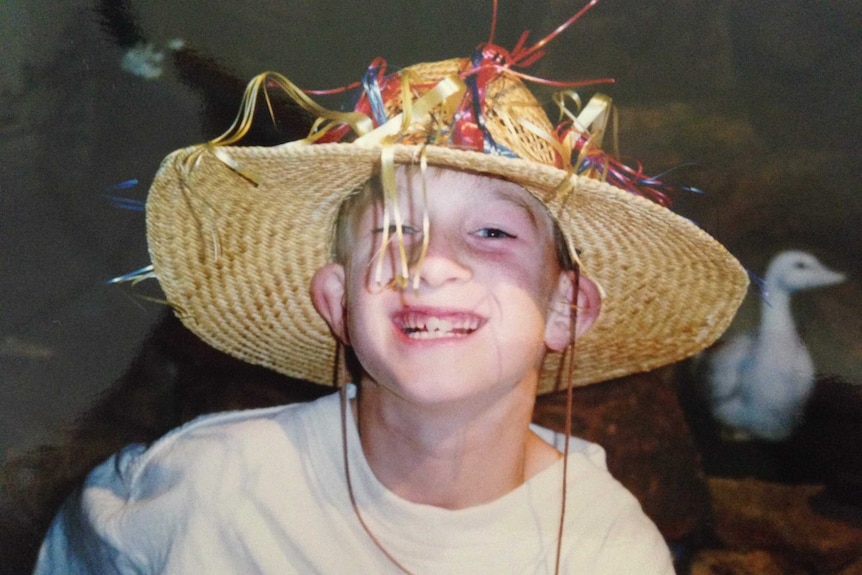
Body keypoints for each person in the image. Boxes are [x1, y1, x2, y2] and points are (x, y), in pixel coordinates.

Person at [33, 19, 748, 575]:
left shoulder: (608, 551)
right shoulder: (195, 488)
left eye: (493, 231)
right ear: (338, 299)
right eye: (398, 229)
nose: (432, 265)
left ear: (566, 306)